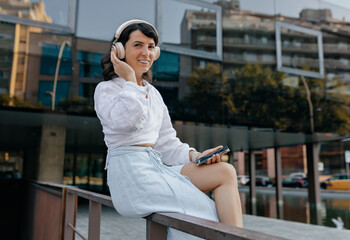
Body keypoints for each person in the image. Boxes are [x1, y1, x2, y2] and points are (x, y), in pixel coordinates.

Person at [94, 19, 243, 239]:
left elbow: (166, 143)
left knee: (225, 171)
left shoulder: (153, 94)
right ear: (119, 50)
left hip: (156, 168)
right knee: (207, 214)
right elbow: (129, 122)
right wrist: (128, 79)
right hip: (132, 176)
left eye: (151, 47)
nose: (146, 52)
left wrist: (195, 155)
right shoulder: (106, 90)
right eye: (138, 45)